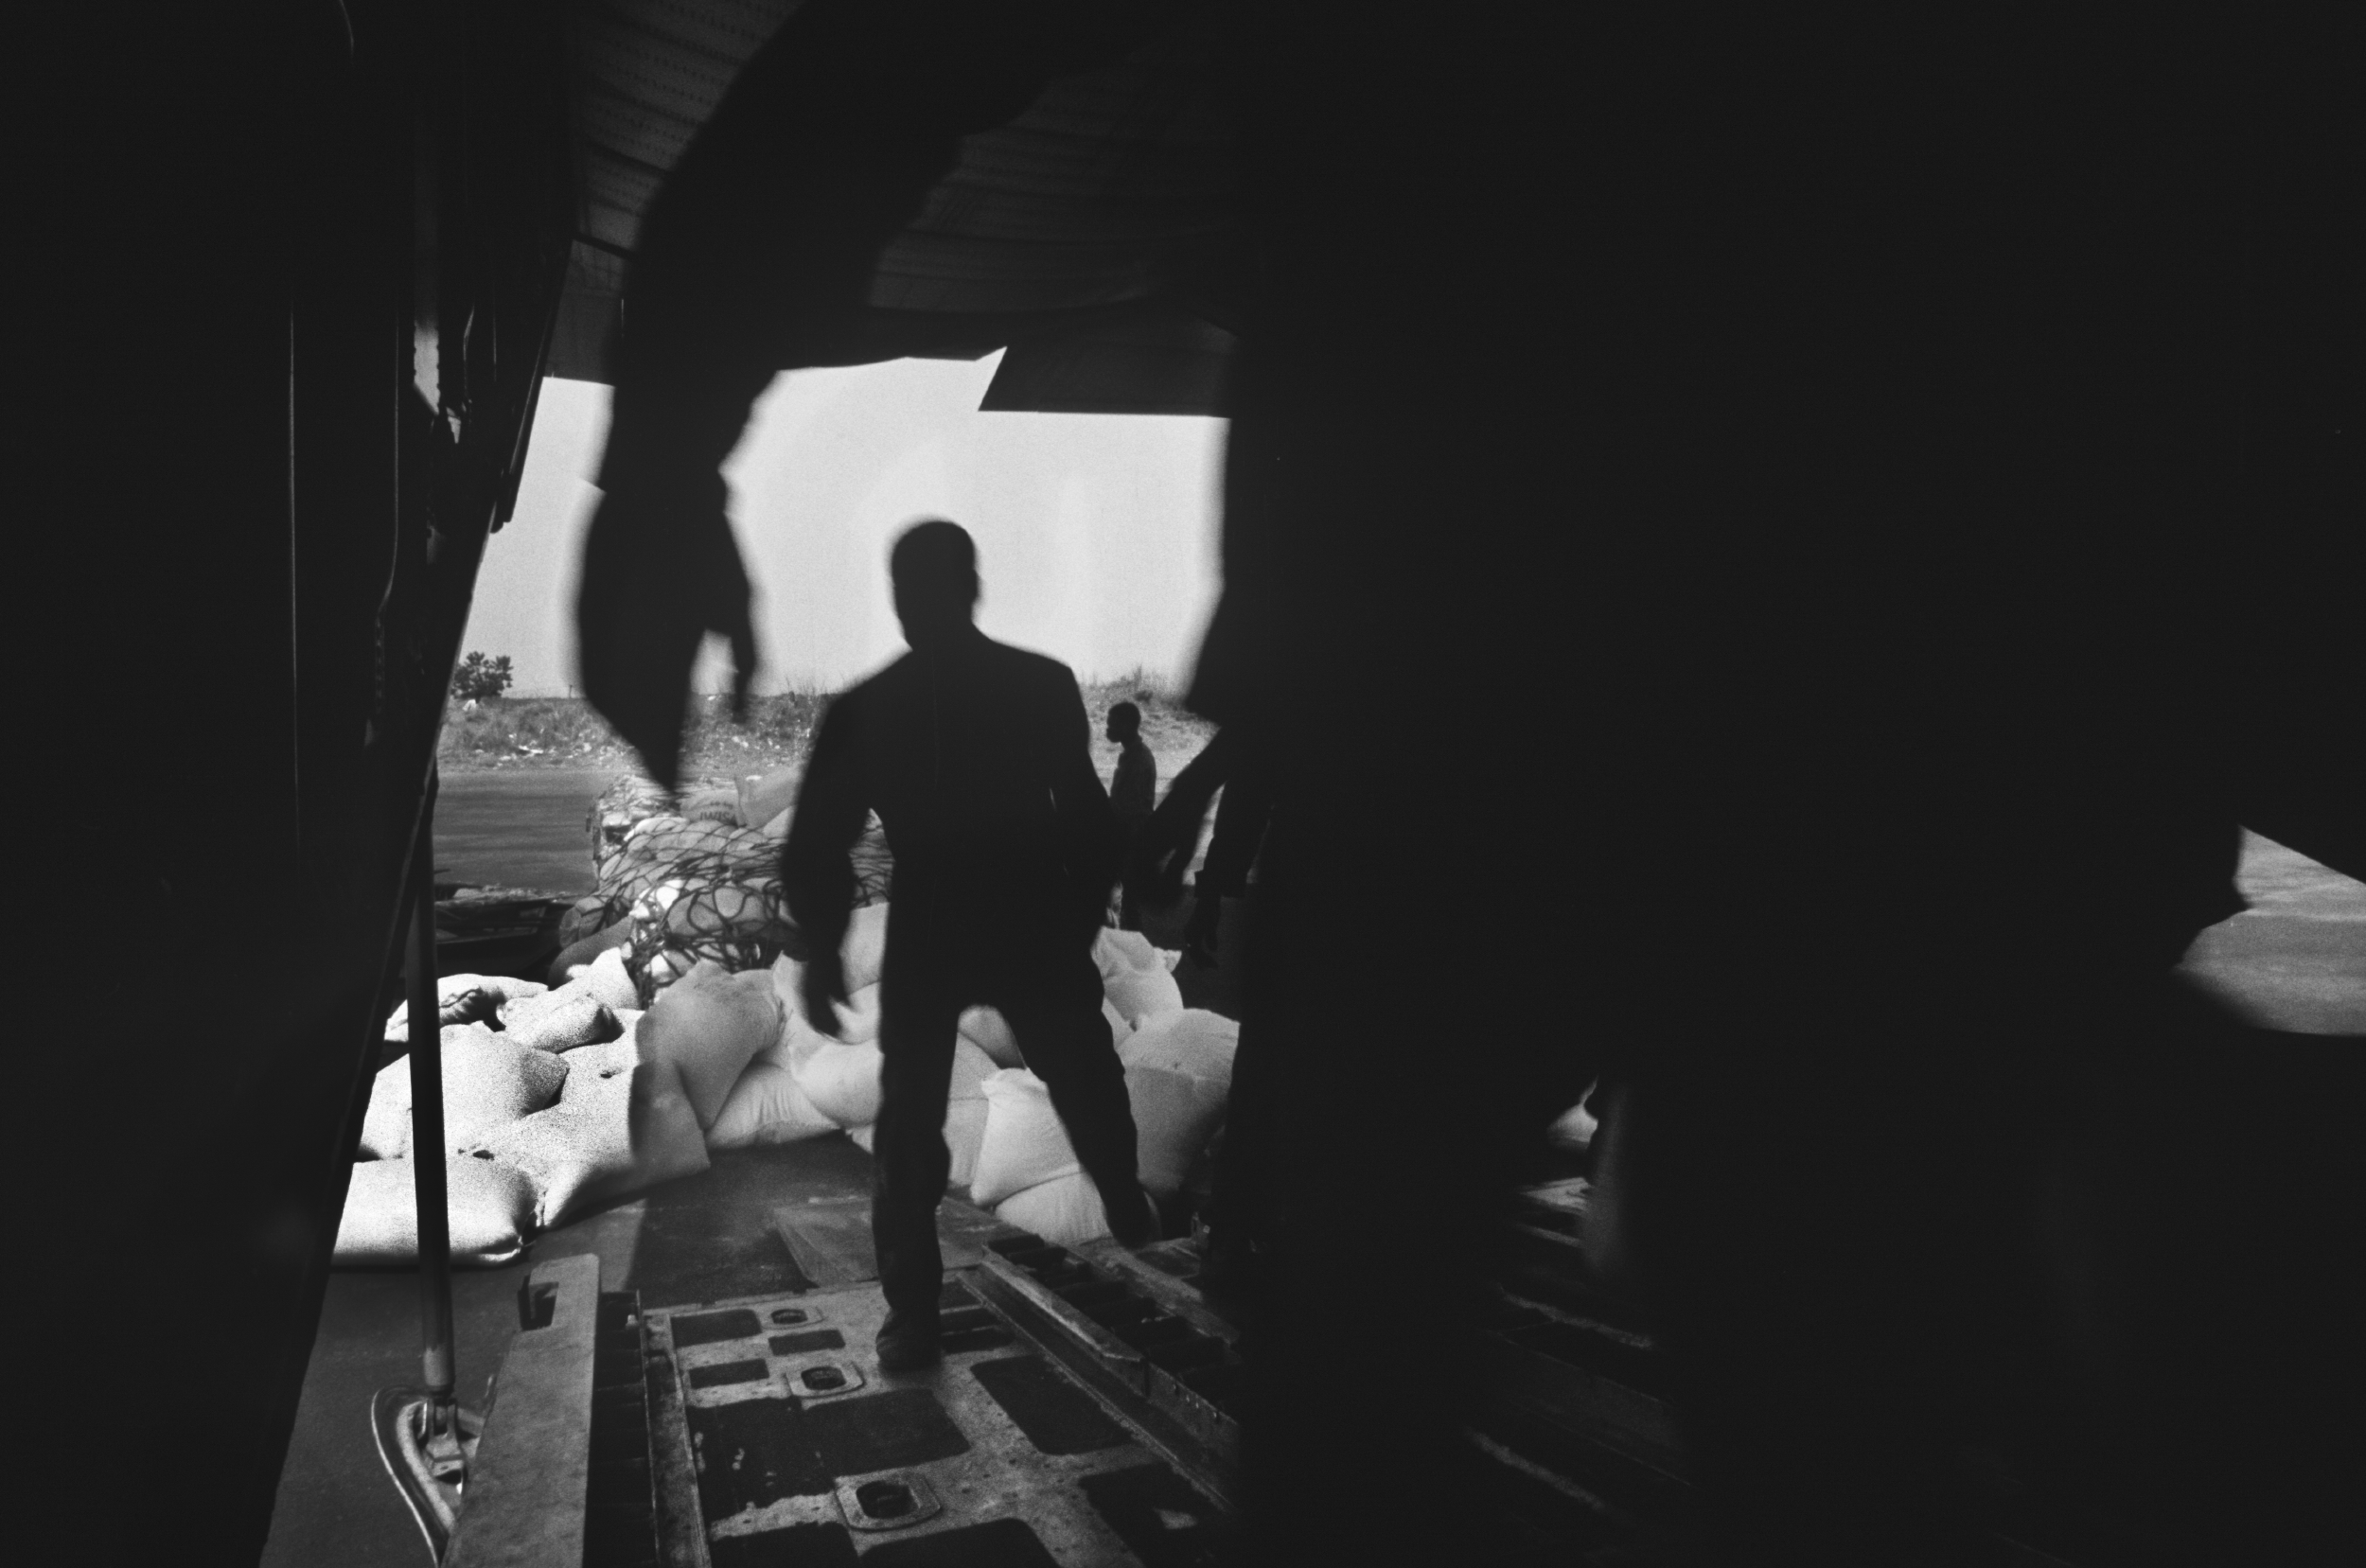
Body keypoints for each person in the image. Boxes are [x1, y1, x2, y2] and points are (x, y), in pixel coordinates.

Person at [780, 520, 1159, 1373]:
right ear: (974, 585)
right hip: (1029, 916)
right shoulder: (1041, 684)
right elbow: (1092, 826)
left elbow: (815, 845)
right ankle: (1134, 1220)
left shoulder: (869, 707)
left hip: (933, 922)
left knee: (911, 1128)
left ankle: (913, 1317)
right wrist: (1077, 920)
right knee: (1087, 1086)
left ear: (904, 599)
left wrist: (827, 948)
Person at [1104, 700, 1156, 929]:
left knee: (1129, 902)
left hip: (1130, 839)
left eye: (1112, 725)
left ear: (1127, 725)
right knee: (1125, 900)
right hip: (1128, 837)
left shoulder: (1138, 760)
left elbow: (1127, 808)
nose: (1108, 730)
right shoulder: (1131, 755)